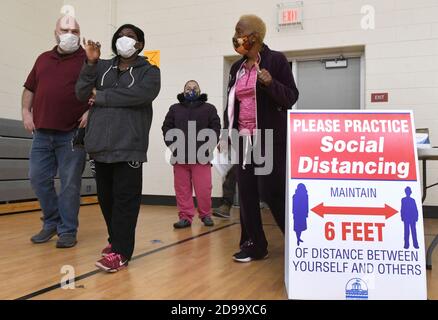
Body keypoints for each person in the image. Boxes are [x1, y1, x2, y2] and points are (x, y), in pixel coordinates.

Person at [76, 24, 161, 272]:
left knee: (126, 201)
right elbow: (82, 92)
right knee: (107, 200)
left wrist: (101, 96)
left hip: (129, 147)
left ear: (140, 44)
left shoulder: (150, 71)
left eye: (131, 37)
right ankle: (116, 241)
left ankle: (121, 252)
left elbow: (140, 96)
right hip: (100, 146)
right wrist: (90, 63)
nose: (124, 40)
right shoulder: (102, 67)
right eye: (121, 36)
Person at [224, 15, 299, 262]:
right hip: (243, 139)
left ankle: (298, 240)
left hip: (269, 138)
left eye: (239, 31)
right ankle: (254, 245)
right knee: (245, 192)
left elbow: (290, 97)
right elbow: (230, 105)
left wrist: (270, 83)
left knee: (271, 190)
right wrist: (227, 133)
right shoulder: (236, 68)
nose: (235, 36)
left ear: (254, 36)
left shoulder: (276, 60)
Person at [23, 15, 89, 248]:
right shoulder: (43, 59)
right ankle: (51, 221)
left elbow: (98, 91)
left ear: (80, 34)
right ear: (55, 32)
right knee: (37, 177)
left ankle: (68, 230)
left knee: (70, 184)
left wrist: (90, 113)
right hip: (42, 132)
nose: (70, 34)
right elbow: (30, 88)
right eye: (65, 29)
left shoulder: (87, 60)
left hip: (72, 133)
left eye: (74, 30)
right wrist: (25, 111)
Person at [162, 81, 221, 228]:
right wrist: (173, 145)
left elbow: (215, 127)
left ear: (200, 91)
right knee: (182, 190)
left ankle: (205, 215)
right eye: (188, 88)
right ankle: (185, 217)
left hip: (201, 157)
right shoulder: (175, 109)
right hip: (180, 157)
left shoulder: (209, 108)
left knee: (204, 190)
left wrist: (208, 145)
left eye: (195, 88)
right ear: (183, 91)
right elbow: (166, 127)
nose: (191, 90)